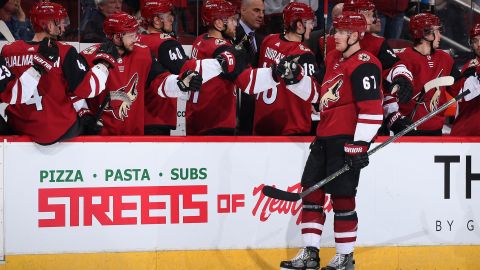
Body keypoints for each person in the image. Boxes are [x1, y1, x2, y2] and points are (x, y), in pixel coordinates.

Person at [279, 12, 383, 270]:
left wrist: (360, 143)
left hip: (345, 141)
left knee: (343, 198)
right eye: (335, 31)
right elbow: (320, 97)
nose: (334, 36)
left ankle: (345, 256)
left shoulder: (365, 63)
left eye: (341, 32)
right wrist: (296, 81)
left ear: (356, 35)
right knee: (311, 194)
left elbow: (372, 109)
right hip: (323, 138)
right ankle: (310, 254)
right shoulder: (333, 58)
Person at [0, 2, 114, 144]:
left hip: (19, 126)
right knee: (87, 122)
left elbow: (6, 93)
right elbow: (89, 88)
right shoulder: (64, 51)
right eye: (60, 22)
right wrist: (104, 64)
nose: (64, 26)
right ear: (49, 25)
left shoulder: (9, 50)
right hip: (57, 128)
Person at [81, 11, 208, 136]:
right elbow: (74, 91)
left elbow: (159, 80)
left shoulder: (142, 53)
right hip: (99, 140)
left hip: (134, 138)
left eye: (136, 34)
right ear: (117, 37)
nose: (136, 38)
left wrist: (180, 82)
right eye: (131, 35)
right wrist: (84, 114)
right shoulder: (88, 56)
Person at [186, 0, 287, 135]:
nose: (235, 24)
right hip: (216, 123)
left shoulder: (200, 40)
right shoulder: (224, 49)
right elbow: (248, 82)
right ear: (219, 23)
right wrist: (274, 73)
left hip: (195, 119)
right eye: (232, 20)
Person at [383, 13, 461, 136]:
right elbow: (387, 93)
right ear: (425, 33)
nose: (440, 35)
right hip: (407, 130)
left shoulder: (446, 59)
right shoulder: (401, 58)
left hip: (436, 130)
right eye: (437, 31)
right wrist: (394, 119)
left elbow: (460, 89)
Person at [254, 2, 321, 136]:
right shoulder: (304, 54)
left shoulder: (268, 41)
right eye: (309, 22)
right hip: (292, 127)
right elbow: (315, 94)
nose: (312, 26)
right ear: (299, 25)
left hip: (262, 122)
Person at [139, 0, 188, 135]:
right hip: (157, 116)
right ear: (156, 20)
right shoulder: (167, 44)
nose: (172, 20)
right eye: (168, 16)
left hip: (136, 117)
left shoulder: (135, 41)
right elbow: (186, 72)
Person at [234, 0, 265, 135]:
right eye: (256, 10)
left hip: (256, 108)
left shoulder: (263, 39)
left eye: (263, 11)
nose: (261, 15)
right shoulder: (231, 34)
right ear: (243, 10)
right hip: (235, 108)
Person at [450, 23, 480, 136]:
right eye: (475, 41)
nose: (479, 44)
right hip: (467, 134)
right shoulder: (470, 67)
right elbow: (466, 96)